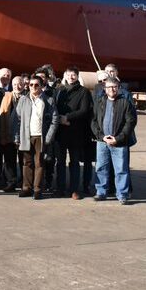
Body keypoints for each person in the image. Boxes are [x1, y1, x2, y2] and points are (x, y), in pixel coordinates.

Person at [91, 77, 137, 204]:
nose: (112, 89)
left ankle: (122, 194)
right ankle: (101, 192)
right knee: (101, 167)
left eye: (114, 87)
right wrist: (101, 137)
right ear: (105, 89)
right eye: (109, 87)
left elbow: (130, 122)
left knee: (121, 169)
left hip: (119, 143)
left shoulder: (125, 103)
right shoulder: (99, 102)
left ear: (118, 88)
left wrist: (118, 138)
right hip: (102, 142)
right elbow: (93, 121)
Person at [13, 77, 59, 199]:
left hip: (40, 136)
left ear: (41, 86)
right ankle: (26, 188)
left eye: (36, 85)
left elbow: (55, 120)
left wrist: (48, 137)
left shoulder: (48, 100)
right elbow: (17, 119)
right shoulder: (23, 99)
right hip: (26, 136)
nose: (33, 87)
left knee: (39, 163)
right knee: (26, 162)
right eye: (31, 85)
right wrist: (17, 136)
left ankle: (37, 189)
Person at [53, 66, 93, 199]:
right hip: (60, 132)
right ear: (65, 75)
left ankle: (74, 189)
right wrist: (60, 119)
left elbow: (84, 110)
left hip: (76, 132)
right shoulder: (59, 90)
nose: (71, 77)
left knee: (75, 162)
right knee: (60, 162)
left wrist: (67, 117)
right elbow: (53, 107)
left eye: (74, 75)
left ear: (77, 76)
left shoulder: (84, 91)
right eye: (69, 74)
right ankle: (60, 188)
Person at [0, 76, 23, 193]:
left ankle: (24, 182)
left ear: (23, 84)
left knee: (24, 160)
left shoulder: (27, 97)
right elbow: (2, 114)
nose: (17, 86)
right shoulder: (6, 96)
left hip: (23, 134)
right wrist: (2, 134)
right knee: (9, 160)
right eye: (15, 84)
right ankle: (11, 182)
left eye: (19, 84)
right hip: (9, 132)